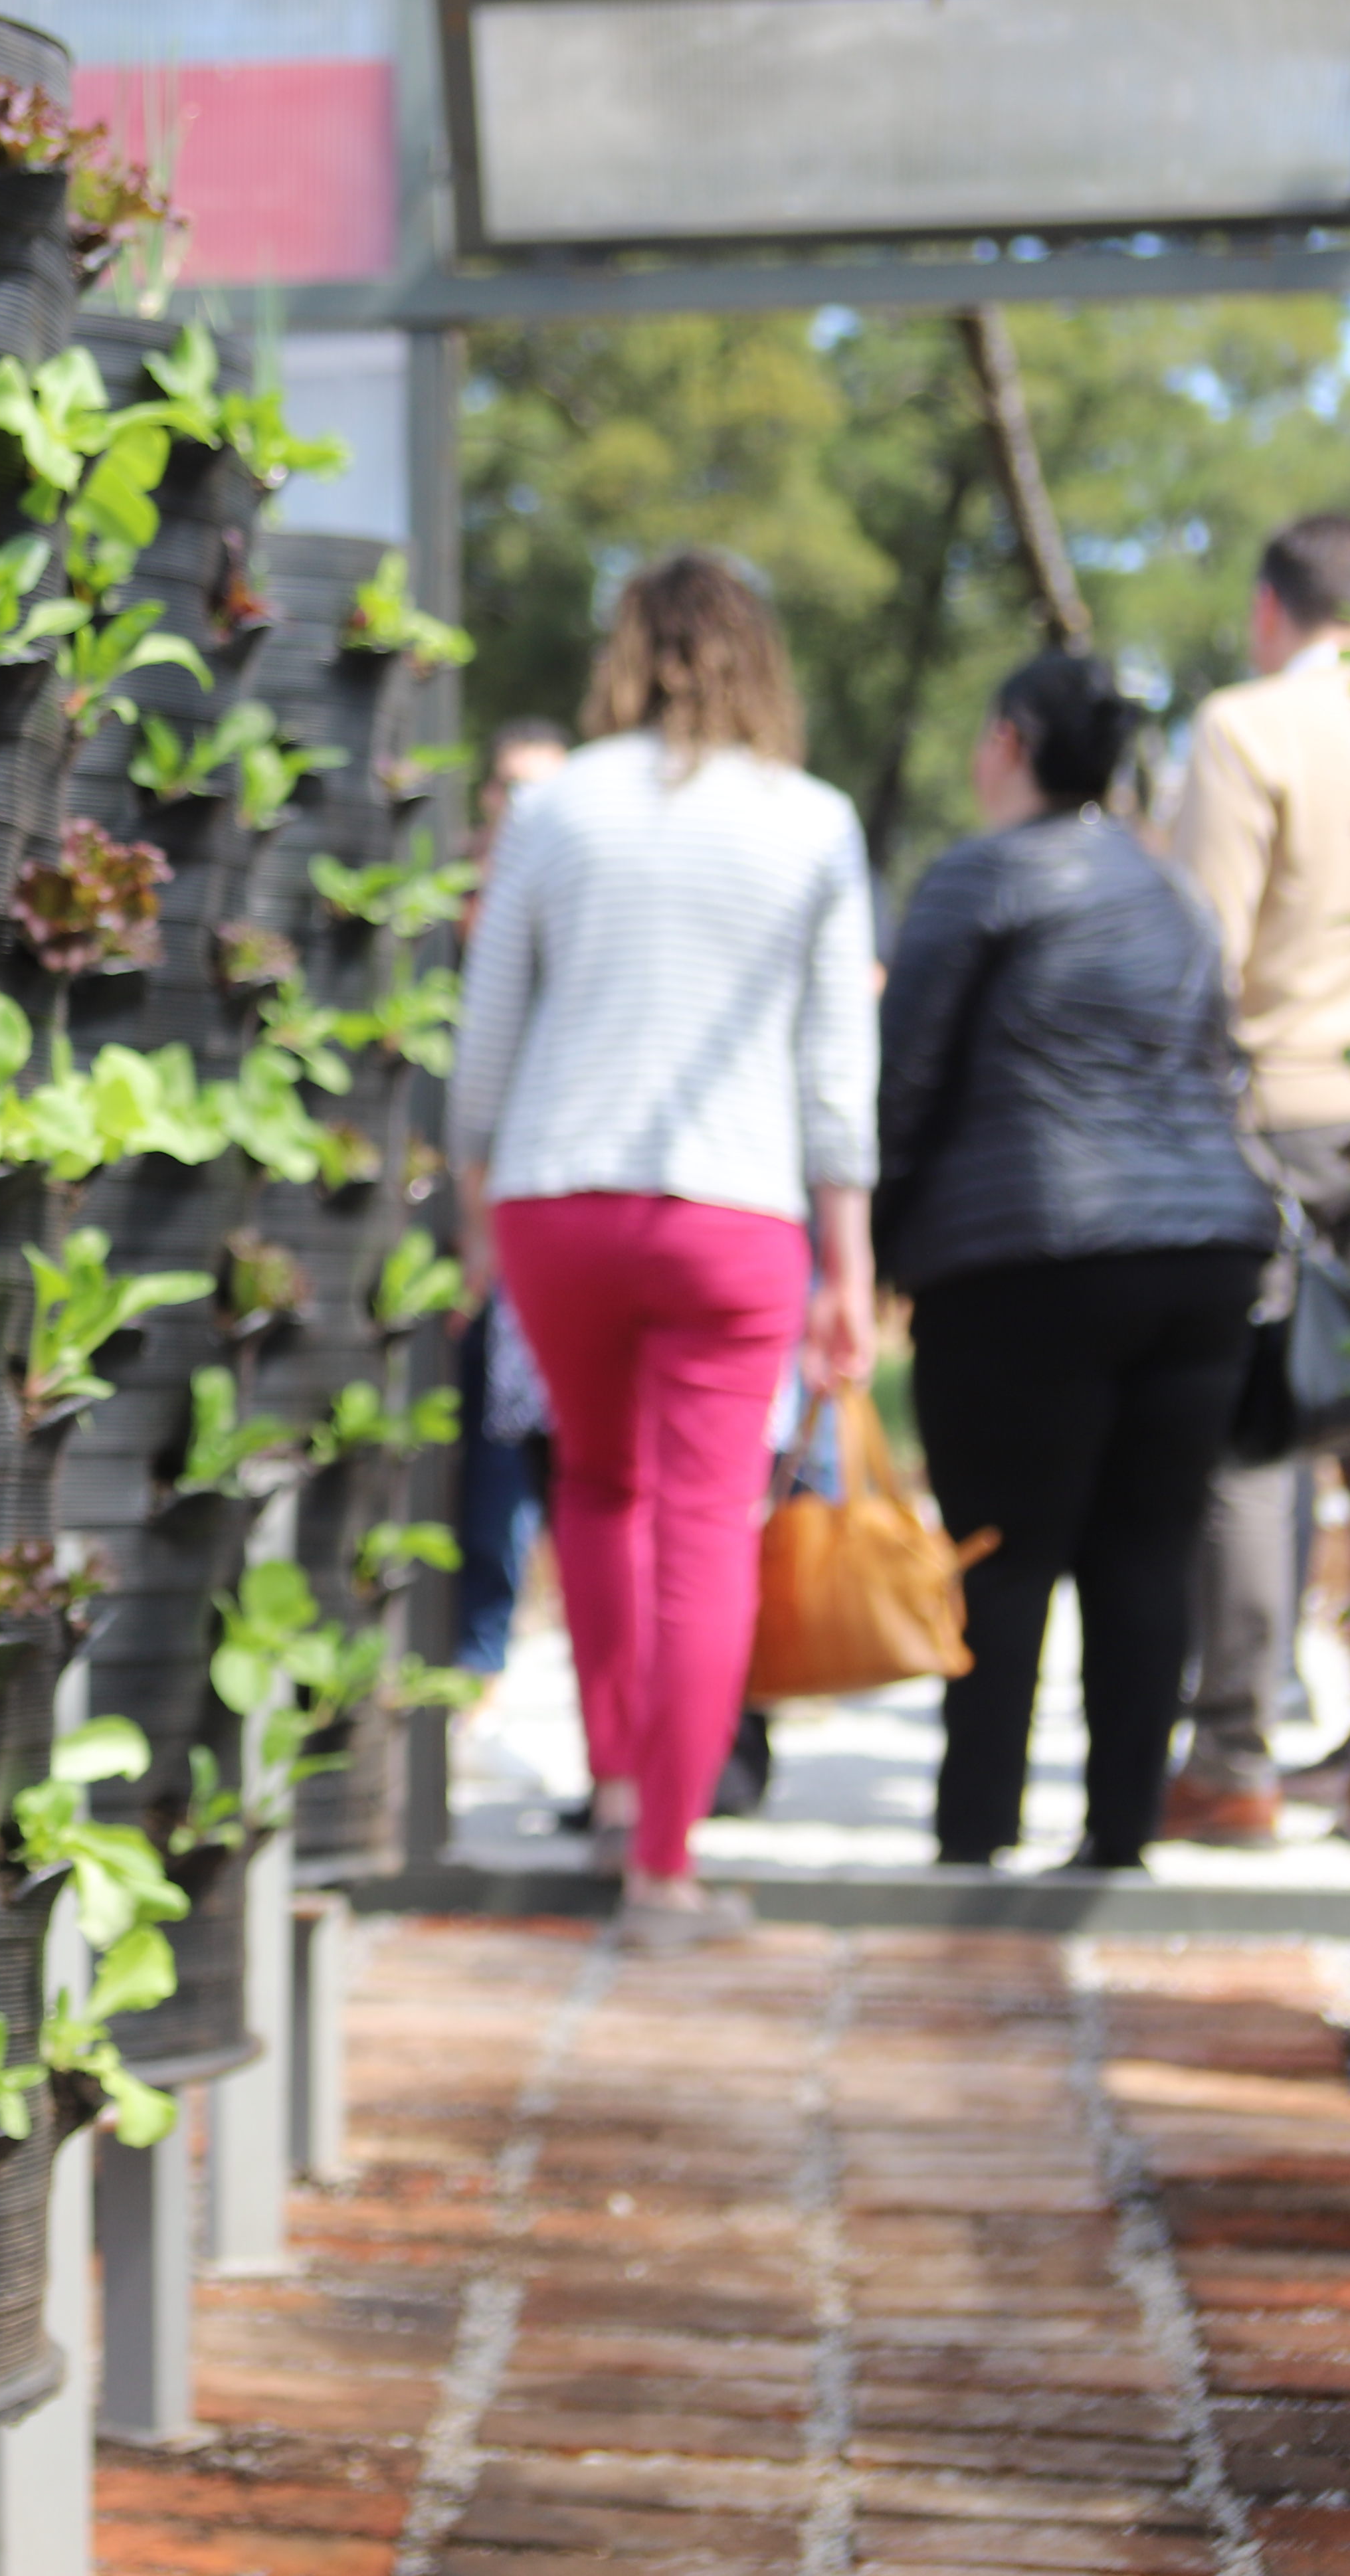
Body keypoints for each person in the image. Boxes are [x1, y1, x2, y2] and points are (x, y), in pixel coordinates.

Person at [450, 555, 879, 1948]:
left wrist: (472, 1208)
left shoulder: (557, 805)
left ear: (626, 648)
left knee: (595, 1481)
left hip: (558, 1200)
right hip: (734, 1212)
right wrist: (852, 1267)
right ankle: (665, 1867)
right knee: (708, 1521)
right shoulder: (813, 822)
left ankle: (618, 1779)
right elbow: (836, 1068)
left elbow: (488, 1033)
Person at [879, 654, 1281, 1868]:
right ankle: (1119, 1838)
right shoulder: (1173, 896)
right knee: (1143, 1552)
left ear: (1007, 741)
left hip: (1027, 1253)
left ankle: (974, 1841)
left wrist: (880, 1245)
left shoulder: (980, 877)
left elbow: (904, 1080)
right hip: (1204, 1255)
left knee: (1001, 1555)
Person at [1163, 513, 1350, 1845]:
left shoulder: (1250, 726)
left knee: (1256, 1433)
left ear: (1270, 610)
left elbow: (1205, 952)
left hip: (1279, 1117)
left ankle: (1235, 1753)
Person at [449, 721, 570, 1697]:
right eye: (507, 787)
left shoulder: (576, 901)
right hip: (475, 1228)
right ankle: (473, 1670)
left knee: (552, 1472)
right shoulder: (452, 903)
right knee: (481, 1472)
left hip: (543, 1221)